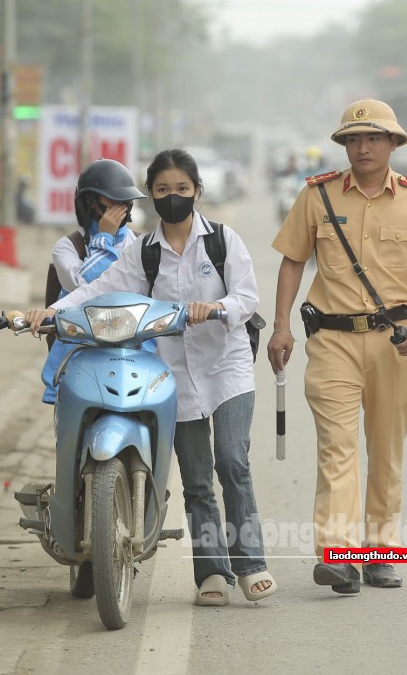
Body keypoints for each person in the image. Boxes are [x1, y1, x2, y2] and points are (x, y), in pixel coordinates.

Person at [25, 148, 277, 606]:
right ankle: (212, 573)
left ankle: (251, 563)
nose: (172, 196)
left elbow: (247, 297)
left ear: (197, 191)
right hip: (173, 373)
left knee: (231, 462)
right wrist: (49, 312)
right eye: (162, 189)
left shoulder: (223, 241)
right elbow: (96, 289)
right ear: (151, 195)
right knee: (197, 479)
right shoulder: (141, 251)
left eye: (182, 188)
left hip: (227, 367)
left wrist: (216, 307)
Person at [267, 98, 407, 594]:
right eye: (353, 139)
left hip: (395, 344)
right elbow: (292, 260)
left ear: (393, 143)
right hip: (331, 341)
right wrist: (282, 326)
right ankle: (340, 557)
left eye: (374, 137)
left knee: (386, 452)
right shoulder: (317, 196)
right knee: (338, 449)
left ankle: (380, 554)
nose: (363, 147)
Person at [40, 159, 148, 404]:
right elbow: (87, 286)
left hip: (132, 349)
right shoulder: (68, 246)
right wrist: (104, 238)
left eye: (126, 200)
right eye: (113, 200)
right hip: (80, 351)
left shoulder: (141, 243)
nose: (122, 207)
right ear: (90, 201)